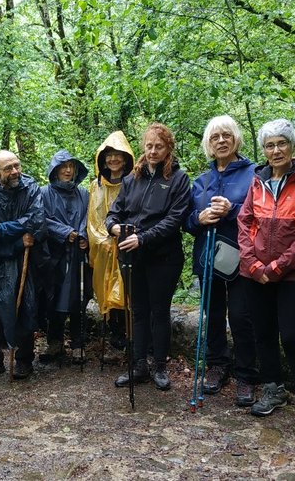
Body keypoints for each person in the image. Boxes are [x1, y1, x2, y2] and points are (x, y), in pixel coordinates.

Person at [238, 119, 295, 434]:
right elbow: (244, 221)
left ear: (292, 146)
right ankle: (273, 388)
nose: (276, 150)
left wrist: (278, 266)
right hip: (256, 273)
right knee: (262, 332)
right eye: (270, 145)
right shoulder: (257, 180)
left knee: (291, 336)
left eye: (281, 144)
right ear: (263, 149)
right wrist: (252, 264)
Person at [106, 123, 191, 391]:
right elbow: (114, 212)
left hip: (163, 257)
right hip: (131, 256)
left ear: (168, 149)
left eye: (159, 147)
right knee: (138, 311)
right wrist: (113, 226)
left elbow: (174, 219)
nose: (153, 151)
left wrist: (143, 237)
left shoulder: (178, 179)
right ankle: (138, 365)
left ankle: (160, 367)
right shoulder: (132, 179)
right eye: (149, 146)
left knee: (159, 311)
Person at [184, 115, 258, 406]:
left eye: (226, 135)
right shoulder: (201, 181)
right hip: (209, 256)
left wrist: (233, 210)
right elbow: (186, 222)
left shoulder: (254, 174)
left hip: (242, 258)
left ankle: (246, 374)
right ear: (208, 145)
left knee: (241, 316)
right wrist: (198, 218)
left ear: (236, 139)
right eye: (215, 137)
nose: (221, 141)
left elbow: (260, 215)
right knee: (212, 314)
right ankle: (216, 365)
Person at [0, 150, 46, 380]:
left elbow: (35, 221)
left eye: (17, 165)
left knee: (26, 306)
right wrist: (16, 241)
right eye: (8, 168)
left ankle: (24, 360)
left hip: (29, 260)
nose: (15, 171)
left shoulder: (31, 188)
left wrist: (0, 230)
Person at [87, 132, 135, 361]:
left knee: (129, 292)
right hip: (105, 250)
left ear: (126, 159)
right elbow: (93, 220)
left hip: (130, 245)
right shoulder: (95, 187)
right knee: (108, 292)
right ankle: (116, 337)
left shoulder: (135, 182)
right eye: (110, 156)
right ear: (103, 160)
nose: (114, 160)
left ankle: (133, 339)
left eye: (118, 155)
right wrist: (103, 241)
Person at [39, 150, 90, 364]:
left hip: (78, 254)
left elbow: (90, 217)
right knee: (53, 296)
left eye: (71, 166)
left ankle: (78, 343)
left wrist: (83, 235)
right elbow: (41, 219)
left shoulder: (84, 194)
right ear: (55, 170)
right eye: (63, 167)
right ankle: (55, 341)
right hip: (55, 255)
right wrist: (64, 232)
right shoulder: (44, 193)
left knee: (79, 297)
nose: (68, 170)